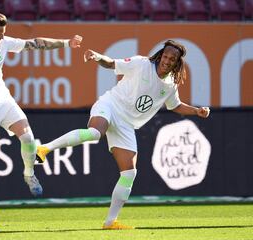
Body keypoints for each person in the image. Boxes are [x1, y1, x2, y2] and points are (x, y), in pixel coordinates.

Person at [36, 40, 210, 230]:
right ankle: (45, 149)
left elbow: (175, 105)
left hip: (126, 124)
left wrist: (196, 111)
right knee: (95, 133)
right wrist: (97, 57)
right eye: (166, 56)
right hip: (110, 106)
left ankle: (110, 222)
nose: (167, 61)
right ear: (161, 55)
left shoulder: (170, 85)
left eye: (172, 59)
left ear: (177, 63)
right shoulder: (141, 64)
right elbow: (111, 63)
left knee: (129, 173)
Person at [0, 12, 82, 233]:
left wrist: (67, 43)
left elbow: (35, 44)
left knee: (28, 137)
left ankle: (29, 173)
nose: (3, 38)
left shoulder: (2, 43)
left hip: (3, 101)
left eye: (4, 34)